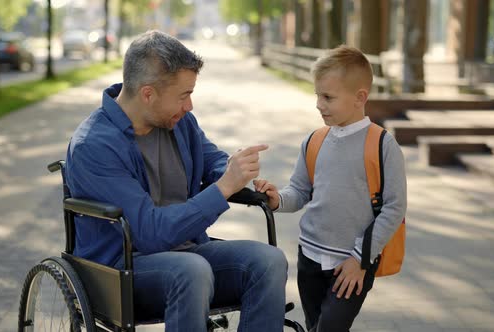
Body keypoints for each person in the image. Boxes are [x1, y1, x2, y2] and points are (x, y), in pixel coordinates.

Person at [65, 30, 288, 331]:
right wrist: (224, 187)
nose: (190, 106)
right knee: (191, 270)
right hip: (121, 272)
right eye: (184, 95)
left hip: (187, 253)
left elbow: (213, 160)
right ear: (148, 93)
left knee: (269, 261)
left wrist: (240, 171)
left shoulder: (178, 122)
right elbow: (149, 233)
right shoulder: (94, 145)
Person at [254, 45, 407, 332]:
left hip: (353, 264)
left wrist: (360, 258)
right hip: (309, 258)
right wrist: (276, 200)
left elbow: (395, 207)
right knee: (315, 325)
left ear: (360, 97)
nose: (319, 104)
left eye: (328, 97)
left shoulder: (382, 144)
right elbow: (299, 191)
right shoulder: (314, 140)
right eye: (317, 95)